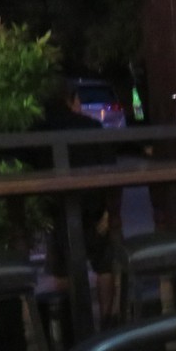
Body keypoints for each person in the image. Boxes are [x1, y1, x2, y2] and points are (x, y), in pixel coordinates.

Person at [32, 79, 121, 329]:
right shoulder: (91, 127)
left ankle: (74, 324)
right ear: (72, 100)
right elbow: (111, 169)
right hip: (93, 209)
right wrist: (110, 211)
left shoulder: (37, 131)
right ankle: (106, 322)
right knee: (104, 263)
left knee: (62, 266)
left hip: (57, 212)